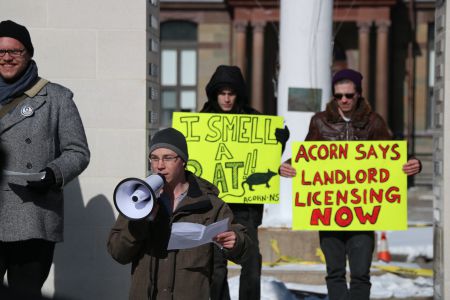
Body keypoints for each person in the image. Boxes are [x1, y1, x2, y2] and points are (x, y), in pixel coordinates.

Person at [279, 68, 421, 300]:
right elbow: (306, 156)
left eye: (348, 95)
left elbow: (393, 158)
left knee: (361, 274)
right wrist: (286, 166)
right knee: (334, 272)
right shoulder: (320, 122)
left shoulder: (374, 122)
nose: (343, 100)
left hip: (363, 213)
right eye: (338, 96)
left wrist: (413, 164)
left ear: (358, 95)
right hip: (328, 210)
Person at [0, 20, 90, 296]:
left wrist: (52, 174)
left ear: (28, 54)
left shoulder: (56, 98)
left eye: (14, 51)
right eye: (0, 52)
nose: (6, 58)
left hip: (32, 215)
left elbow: (78, 151)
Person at [107, 127, 251, 300]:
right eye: (154, 158)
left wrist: (236, 241)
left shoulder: (210, 205)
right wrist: (141, 222)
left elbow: (247, 252)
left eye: (168, 158)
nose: (160, 165)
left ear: (183, 160)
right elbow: (118, 253)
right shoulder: (137, 200)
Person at [201, 65, 289, 300]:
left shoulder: (255, 120)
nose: (227, 98)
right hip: (212, 206)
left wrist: (279, 143)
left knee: (250, 262)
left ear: (238, 94)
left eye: (231, 93)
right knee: (216, 266)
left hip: (245, 208)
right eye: (222, 93)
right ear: (215, 94)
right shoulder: (202, 121)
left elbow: (265, 163)